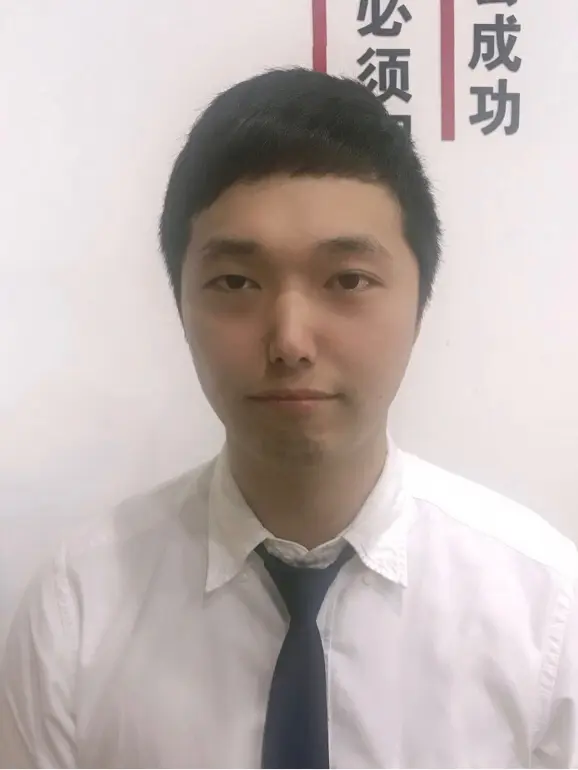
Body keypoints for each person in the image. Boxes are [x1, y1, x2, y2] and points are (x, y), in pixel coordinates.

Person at [0, 67, 576, 769]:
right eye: (236, 282)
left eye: (348, 280)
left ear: (419, 304)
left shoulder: (546, 612)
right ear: (181, 305)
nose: (291, 341)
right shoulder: (78, 609)